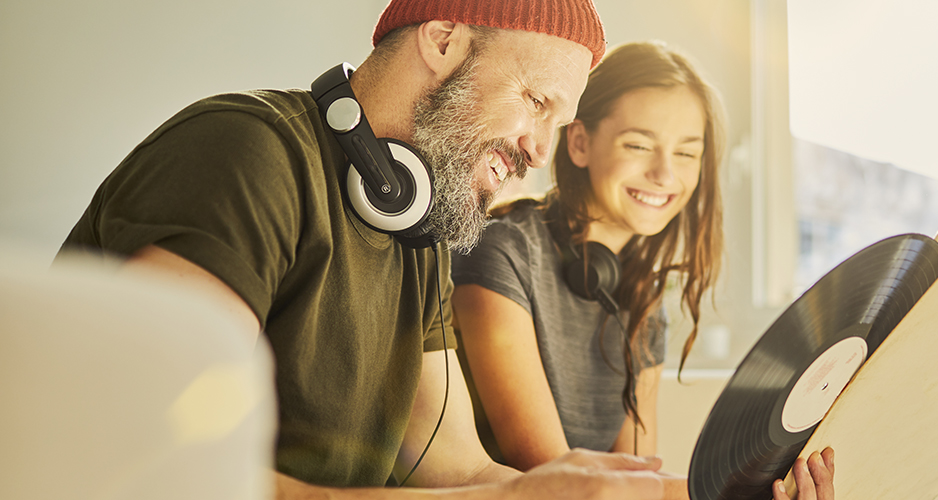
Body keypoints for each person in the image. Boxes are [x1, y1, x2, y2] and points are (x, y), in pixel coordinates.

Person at [55, 1, 673, 499]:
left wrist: (654, 493)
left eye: (558, 127)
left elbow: (459, 469)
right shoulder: (243, 151)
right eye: (537, 104)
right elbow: (162, 468)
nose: (542, 151)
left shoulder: (422, 224)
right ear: (443, 41)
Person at [450, 41, 834, 500]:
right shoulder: (501, 250)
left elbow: (638, 476)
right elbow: (551, 476)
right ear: (580, 143)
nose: (665, 174)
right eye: (638, 144)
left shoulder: (641, 298)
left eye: (687, 154)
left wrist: (772, 490)